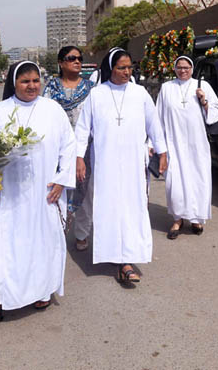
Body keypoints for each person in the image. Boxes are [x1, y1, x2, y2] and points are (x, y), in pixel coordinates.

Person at [0, 61, 76, 332]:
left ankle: (40, 290)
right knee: (1, 244)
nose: (31, 86)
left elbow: (69, 145)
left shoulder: (53, 110)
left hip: (42, 192)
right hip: (6, 194)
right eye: (25, 81)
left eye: (35, 80)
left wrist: (62, 180)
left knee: (39, 241)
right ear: (13, 83)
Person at [75, 48, 167, 285]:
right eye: (121, 68)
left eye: (129, 68)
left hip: (133, 163)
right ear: (110, 69)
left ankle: (128, 258)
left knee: (133, 207)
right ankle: (114, 257)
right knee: (109, 208)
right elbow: (83, 129)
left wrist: (163, 151)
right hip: (105, 163)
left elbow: (154, 124)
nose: (127, 72)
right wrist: (78, 158)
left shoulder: (140, 93)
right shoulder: (96, 95)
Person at [157, 56, 218, 240]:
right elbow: (158, 116)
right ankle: (177, 219)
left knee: (198, 180)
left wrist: (204, 101)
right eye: (179, 67)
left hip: (197, 144)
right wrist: (155, 144)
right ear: (174, 68)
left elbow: (216, 113)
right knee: (174, 183)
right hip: (173, 143)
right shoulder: (166, 88)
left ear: (192, 69)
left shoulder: (203, 86)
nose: (183, 70)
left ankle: (196, 219)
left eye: (186, 67)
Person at [43, 46, 94, 251]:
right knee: (58, 190)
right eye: (71, 58)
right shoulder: (51, 88)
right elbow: (45, 117)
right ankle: (57, 232)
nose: (77, 62)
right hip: (58, 149)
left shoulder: (91, 88)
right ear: (61, 63)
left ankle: (81, 233)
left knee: (86, 191)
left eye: (80, 58)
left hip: (85, 150)